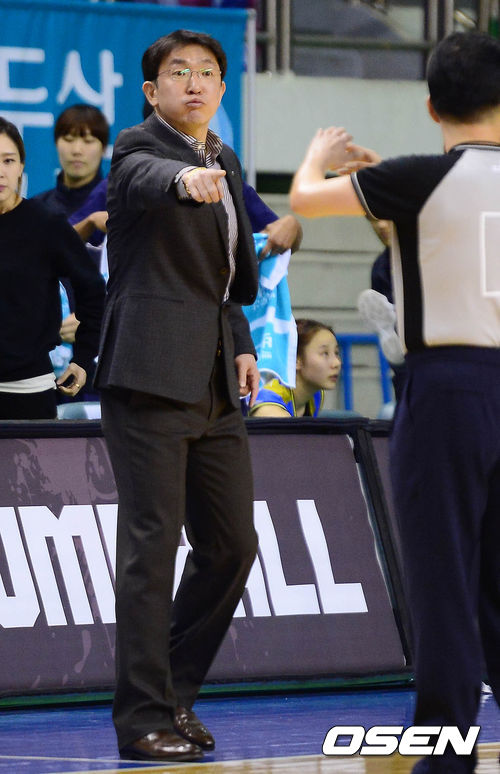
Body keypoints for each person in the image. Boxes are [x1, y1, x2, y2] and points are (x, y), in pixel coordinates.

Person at [290, 30, 500, 774]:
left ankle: (446, 754)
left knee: (444, 578)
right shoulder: (418, 184)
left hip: (450, 389)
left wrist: (318, 153)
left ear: (432, 105)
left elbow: (304, 199)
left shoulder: (419, 177)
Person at [95, 29, 260, 763]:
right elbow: (142, 177)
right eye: (178, 72)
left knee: (232, 545)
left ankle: (173, 690)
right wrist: (179, 179)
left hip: (216, 377)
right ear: (152, 90)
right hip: (149, 374)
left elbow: (222, 278)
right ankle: (141, 720)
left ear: (221, 89)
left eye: (207, 73)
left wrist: (243, 341)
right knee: (152, 547)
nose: (194, 83)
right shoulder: (138, 148)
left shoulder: (225, 157)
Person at [0, 118, 105, 420]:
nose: (1, 171)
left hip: (28, 392)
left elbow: (93, 291)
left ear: (21, 167)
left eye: (8, 160)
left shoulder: (45, 224)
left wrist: (83, 358)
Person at [250, 319, 341, 417]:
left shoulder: (316, 394)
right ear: (295, 359)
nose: (337, 363)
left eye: (336, 353)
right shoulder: (269, 396)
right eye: (324, 353)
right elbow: (268, 414)